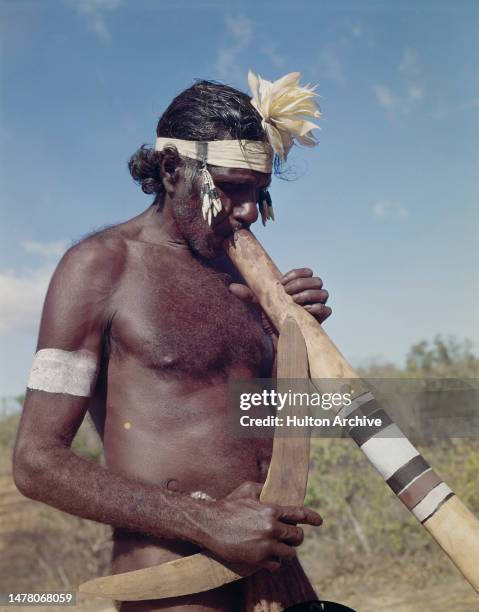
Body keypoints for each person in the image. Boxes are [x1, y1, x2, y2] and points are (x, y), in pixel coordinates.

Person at [13, 73, 331, 611]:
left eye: (259, 191)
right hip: (175, 587)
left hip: (276, 579)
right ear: (171, 170)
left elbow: (263, 429)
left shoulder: (244, 281)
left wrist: (289, 339)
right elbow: (36, 462)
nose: (249, 211)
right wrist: (206, 521)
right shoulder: (100, 266)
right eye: (231, 187)